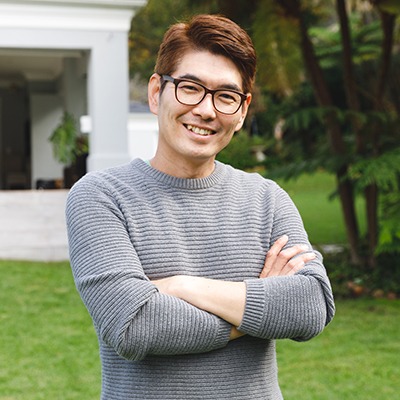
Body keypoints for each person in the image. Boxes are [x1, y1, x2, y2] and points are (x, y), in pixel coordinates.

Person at [66, 14, 335, 400]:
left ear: (242, 111)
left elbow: (311, 306)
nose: (207, 110)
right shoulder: (100, 197)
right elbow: (133, 327)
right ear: (156, 92)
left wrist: (181, 286)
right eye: (190, 88)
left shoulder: (267, 198)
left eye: (225, 96)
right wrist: (259, 305)